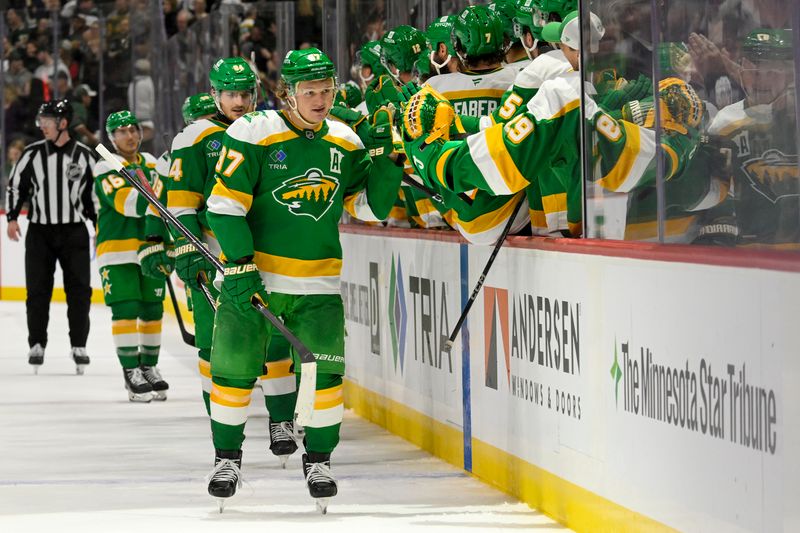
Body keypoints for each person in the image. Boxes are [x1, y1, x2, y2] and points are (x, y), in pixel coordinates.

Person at [203, 48, 403, 510]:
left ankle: (319, 461)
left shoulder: (346, 141)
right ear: (287, 93)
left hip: (319, 288)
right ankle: (226, 459)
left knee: (325, 377)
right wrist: (240, 263)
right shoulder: (253, 132)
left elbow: (368, 208)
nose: (320, 99)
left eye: (327, 90)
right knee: (233, 373)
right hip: (254, 283)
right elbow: (225, 205)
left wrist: (387, 160)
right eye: (309, 91)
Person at [165, 63, 303, 468]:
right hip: (213, 253)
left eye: (245, 93)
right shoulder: (195, 136)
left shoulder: (270, 128)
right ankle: (223, 433)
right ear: (214, 94)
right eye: (230, 94)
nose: (239, 102)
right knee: (216, 349)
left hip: (267, 254)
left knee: (276, 340)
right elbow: (181, 201)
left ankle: (281, 422)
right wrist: (188, 248)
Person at [5, 99, 96, 374]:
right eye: (41, 122)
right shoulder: (31, 154)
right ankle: (37, 344)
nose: (42, 127)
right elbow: (15, 186)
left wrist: (100, 222)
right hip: (40, 232)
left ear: (63, 123)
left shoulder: (85, 155)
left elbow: (97, 194)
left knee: (79, 292)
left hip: (74, 231)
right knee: (37, 291)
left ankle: (79, 345)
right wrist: (11, 217)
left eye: (47, 122)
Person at [93, 110, 170, 402]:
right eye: (122, 131)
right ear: (112, 138)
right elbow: (128, 203)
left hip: (149, 247)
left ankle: (149, 366)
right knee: (126, 309)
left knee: (152, 310)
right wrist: (163, 192)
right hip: (117, 250)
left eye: (133, 129)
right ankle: (130, 371)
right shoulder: (105, 167)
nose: (129, 135)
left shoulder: (151, 163)